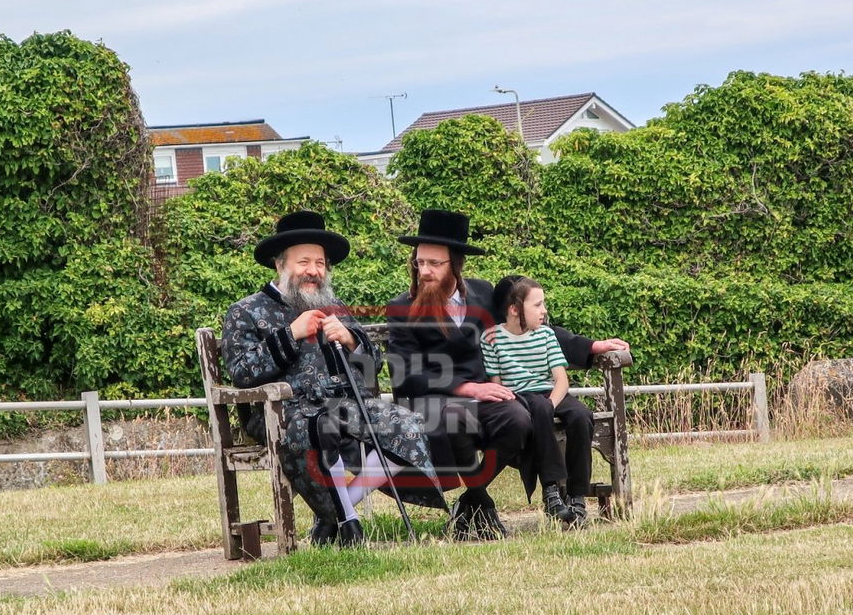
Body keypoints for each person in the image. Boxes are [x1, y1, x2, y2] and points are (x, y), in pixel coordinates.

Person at [386, 209, 629, 540]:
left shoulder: (483, 293)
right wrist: (466, 387)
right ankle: (481, 502)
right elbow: (405, 372)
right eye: (419, 262)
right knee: (458, 420)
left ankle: (470, 500)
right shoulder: (402, 306)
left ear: (455, 264)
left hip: (489, 395)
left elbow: (525, 327)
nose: (424, 271)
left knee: (518, 419)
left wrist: (589, 346)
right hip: (435, 400)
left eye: (434, 263)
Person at [221, 210, 444, 547]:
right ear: (280, 265)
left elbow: (373, 365)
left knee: (407, 424)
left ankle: (333, 517)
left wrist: (352, 340)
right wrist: (290, 335)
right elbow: (240, 373)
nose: (314, 271)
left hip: (345, 405)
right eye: (304, 262)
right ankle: (349, 524)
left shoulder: (334, 306)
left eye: (320, 263)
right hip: (284, 414)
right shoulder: (246, 311)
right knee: (321, 428)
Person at [483, 276, 595, 526]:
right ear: (514, 309)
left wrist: (551, 404)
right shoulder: (492, 338)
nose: (544, 311)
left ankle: (578, 496)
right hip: (519, 397)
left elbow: (561, 381)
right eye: (537, 305)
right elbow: (497, 385)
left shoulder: (545, 335)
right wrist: (531, 406)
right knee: (539, 407)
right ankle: (551, 491)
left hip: (551, 395)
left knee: (581, 416)